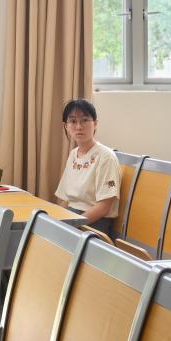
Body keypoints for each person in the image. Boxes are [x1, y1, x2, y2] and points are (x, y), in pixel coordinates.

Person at [54, 99, 120, 238]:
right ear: (66, 126)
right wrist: (54, 221)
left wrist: (72, 225)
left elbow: (104, 207)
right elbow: (66, 200)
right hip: (72, 218)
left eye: (84, 120)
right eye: (73, 121)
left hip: (94, 223)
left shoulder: (106, 157)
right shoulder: (73, 154)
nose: (79, 126)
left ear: (95, 123)